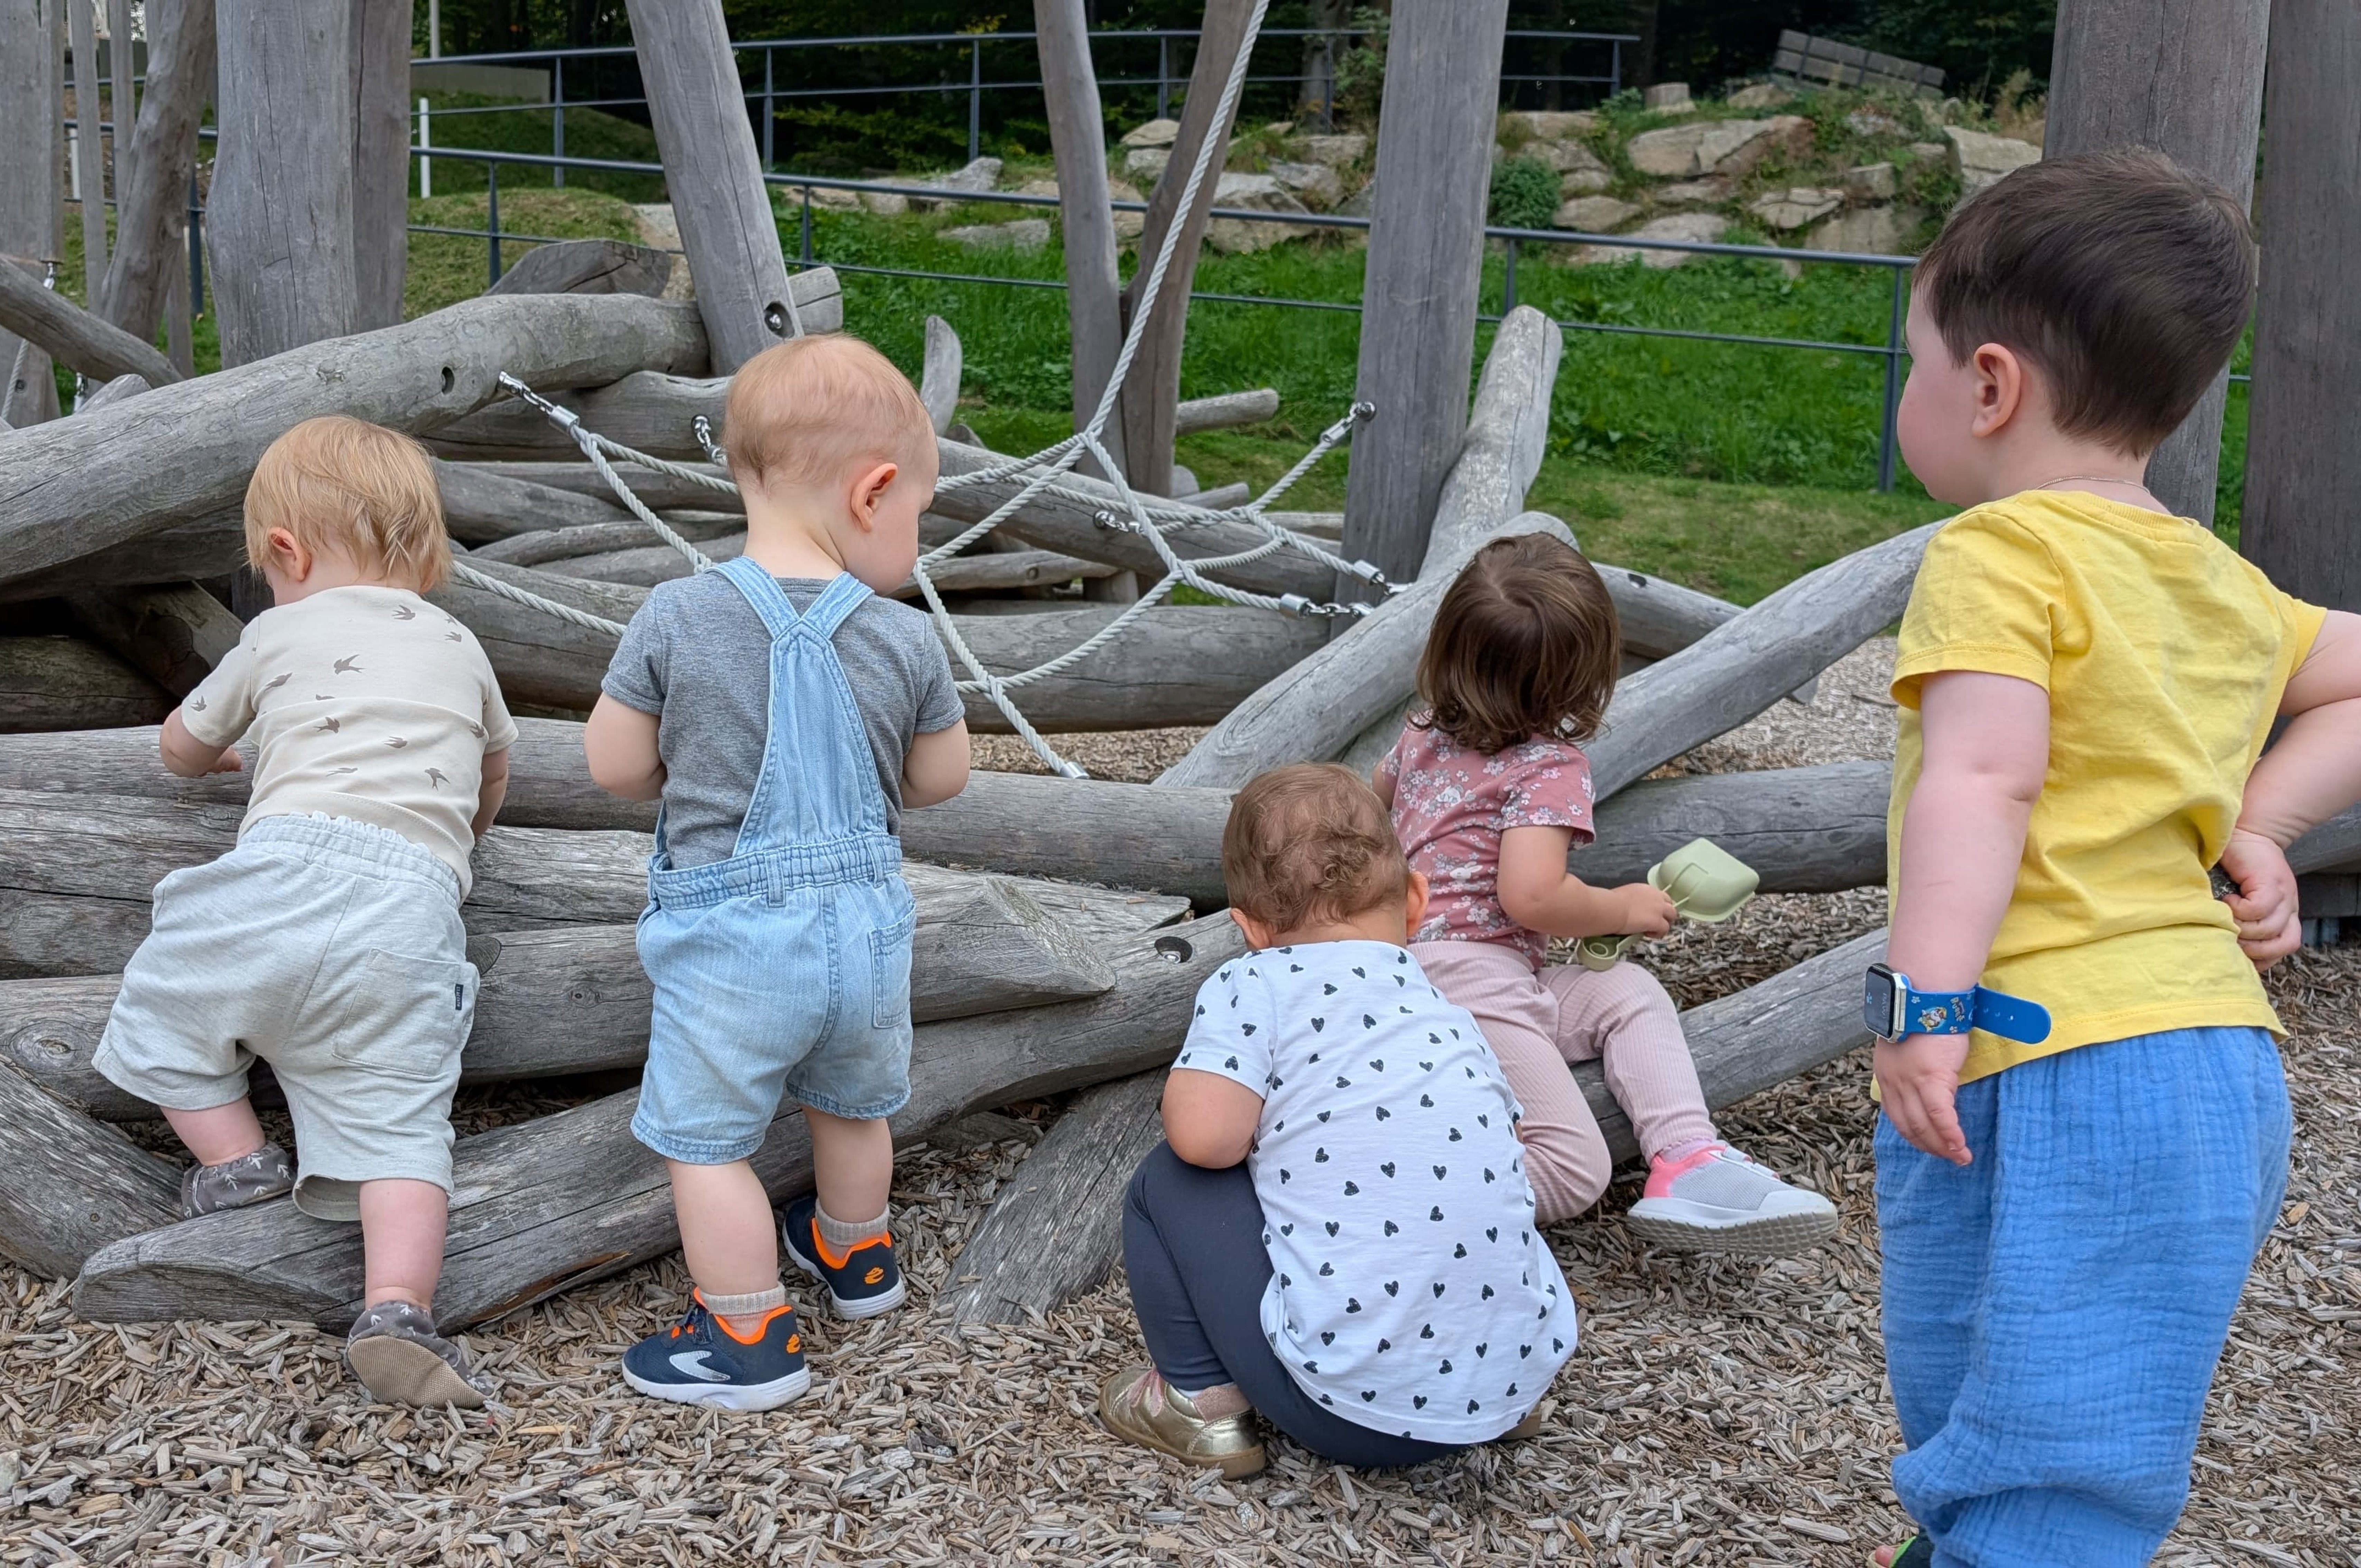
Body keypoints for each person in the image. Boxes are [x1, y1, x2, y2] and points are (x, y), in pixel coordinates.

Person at [1868, 149, 2361, 1568]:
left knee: (2024, 1445)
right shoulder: (2216, 578)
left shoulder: (1999, 553)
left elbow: (1982, 774)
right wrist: (2262, 825)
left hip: (2047, 1050)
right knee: (2073, 1422)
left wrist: (1924, 1003)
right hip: (2216, 1058)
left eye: (1913, 361)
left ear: (1990, 387)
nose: (1911, 390)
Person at [94, 416, 515, 1408]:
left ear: (284, 552)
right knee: (405, 1125)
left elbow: (179, 748)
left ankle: (237, 1164)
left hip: (285, 871)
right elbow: (492, 780)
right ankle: (399, 1310)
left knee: (166, 1006)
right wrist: (456, 833)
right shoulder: (461, 645)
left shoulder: (275, 631)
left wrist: (223, 754)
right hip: (416, 908)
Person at [586, 333, 969, 1412]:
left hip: (734, 948)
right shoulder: (903, 638)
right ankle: (858, 1258)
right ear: (873, 491)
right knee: (853, 1108)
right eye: (917, 517)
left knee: (707, 1146)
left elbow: (614, 767)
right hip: (864, 940)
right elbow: (943, 777)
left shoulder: (676, 614)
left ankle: (748, 1334)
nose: (916, 538)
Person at [1105, 764, 1576, 1476]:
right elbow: (1497, 1156)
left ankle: (1199, 1404)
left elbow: (1205, 1141)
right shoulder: (1447, 1011)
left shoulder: (1252, 983)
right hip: (1512, 1388)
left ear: (1250, 930)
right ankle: (1479, 1369)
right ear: (1416, 901)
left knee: (1167, 1180)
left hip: (1352, 1417)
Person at [1376, 533, 1836, 1251]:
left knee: (1626, 993)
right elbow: (1531, 894)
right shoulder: (1548, 766)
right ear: (1581, 677)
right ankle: (1393, 1192)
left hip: (1428, 969)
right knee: (1574, 1168)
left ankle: (1687, 1159)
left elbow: (1374, 820)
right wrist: (1619, 906)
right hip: (1466, 982)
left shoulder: (1421, 734)